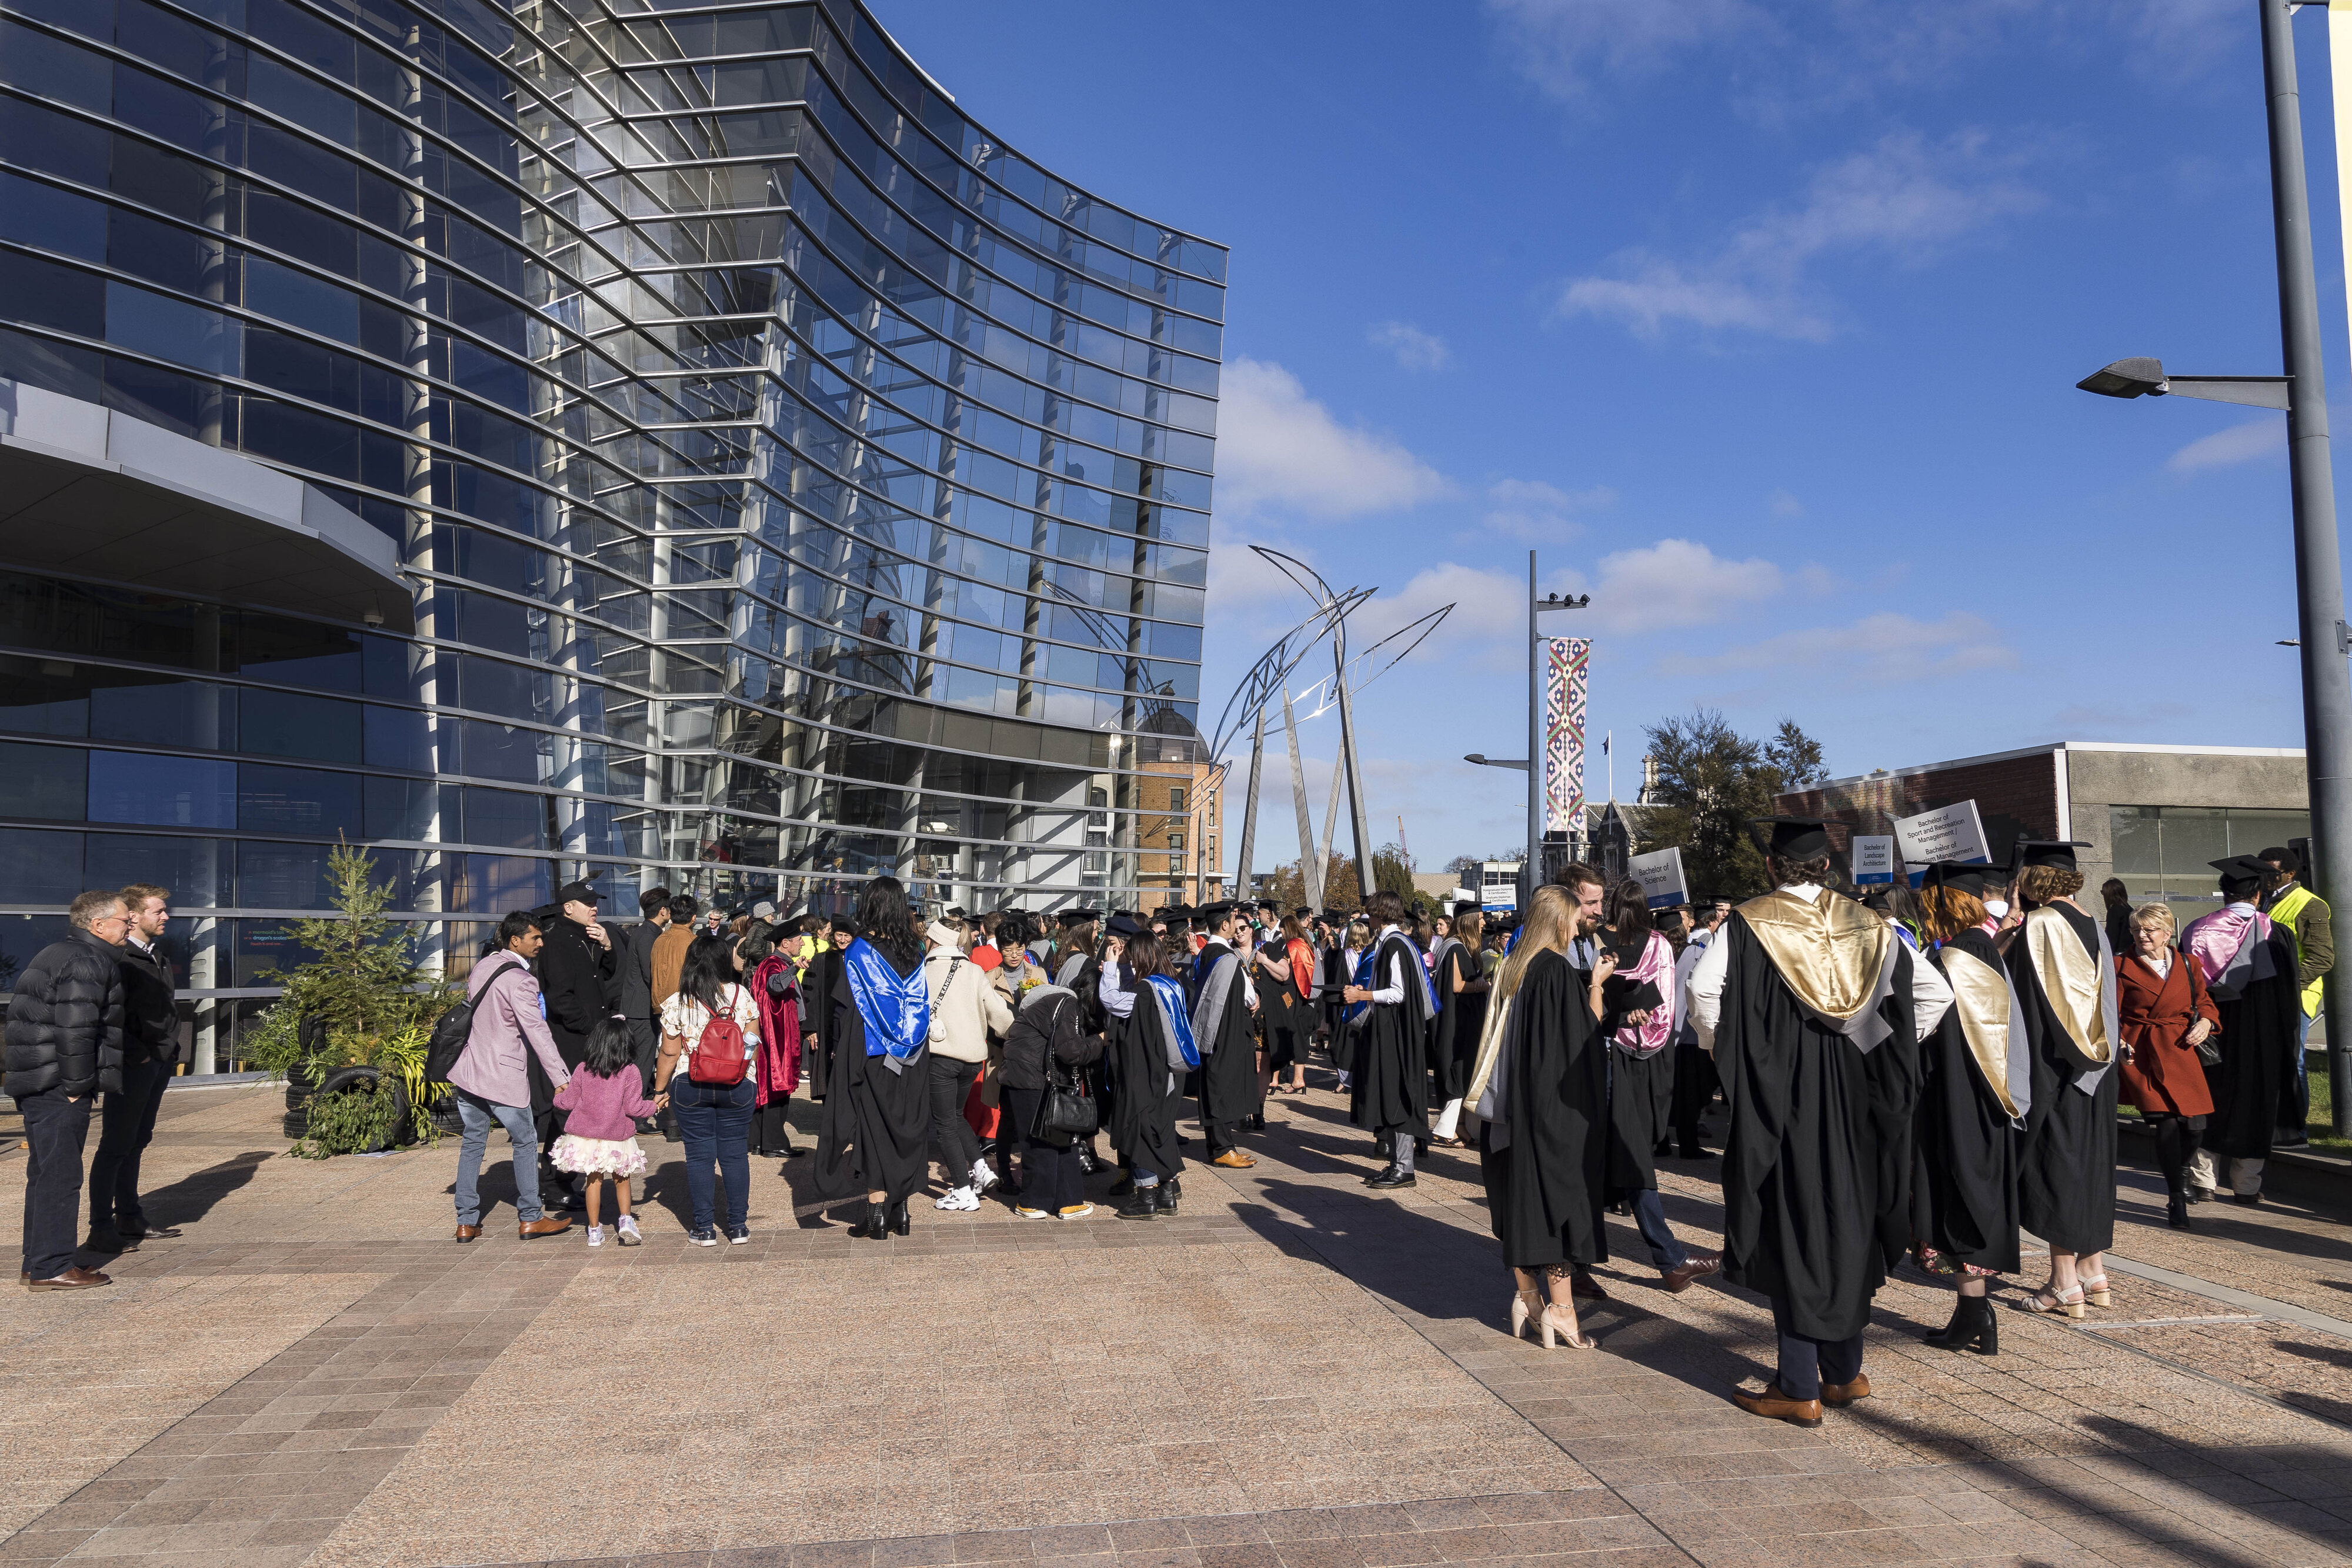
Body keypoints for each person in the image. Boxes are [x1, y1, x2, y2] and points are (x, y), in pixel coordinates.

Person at [1689, 818, 1950, 1427]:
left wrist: (1730, 1056)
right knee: (1850, 1219)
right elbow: (1936, 995)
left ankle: (1798, 1384)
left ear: (1775, 866)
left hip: (1785, 1100)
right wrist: (1885, 1048)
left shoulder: (1750, 922)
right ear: (1827, 869)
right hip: (1862, 1099)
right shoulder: (1874, 925)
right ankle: (1843, 1371)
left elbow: (1704, 994)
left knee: (1794, 1220)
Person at [1464, 885, 1604, 1348]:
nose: (1575, 927)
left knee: (1516, 1202)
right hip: (1545, 1109)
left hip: (1505, 1112)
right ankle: (1562, 1310)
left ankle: (1527, 1298)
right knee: (1552, 1204)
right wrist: (1598, 988)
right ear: (1559, 922)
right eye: (1573, 919)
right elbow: (1578, 1043)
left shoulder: (1510, 967)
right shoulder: (1556, 972)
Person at [1910, 863, 2030, 1356]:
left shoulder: (1954, 961)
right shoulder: (1984, 953)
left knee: (1960, 1202)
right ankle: (1972, 1313)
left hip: (1957, 1103)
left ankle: (1976, 1314)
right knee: (1969, 1200)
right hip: (1987, 1102)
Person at [2004, 841, 2121, 1317]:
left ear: (2030, 879)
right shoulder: (2095, 925)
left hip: (2051, 1070)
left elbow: (2022, 1010)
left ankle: (2062, 1282)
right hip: (2096, 1071)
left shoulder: (2037, 927)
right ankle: (2093, 1271)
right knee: (2088, 1167)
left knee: (2055, 1168)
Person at [6, 889, 129, 1290]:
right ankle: (52, 1267)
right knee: (60, 1176)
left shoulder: (61, 952)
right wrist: (77, 1087)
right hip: (59, 1085)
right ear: (98, 925)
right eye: (124, 920)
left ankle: (38, 1261)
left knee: (45, 1174)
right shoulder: (86, 960)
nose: (130, 926)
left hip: (42, 1082)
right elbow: (76, 1030)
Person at [1596, 879, 1716, 1290]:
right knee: (1631, 1153)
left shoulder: (1595, 941)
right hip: (1636, 1061)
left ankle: (1576, 1267)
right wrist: (1635, 1025)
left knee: (1608, 1155)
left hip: (1598, 1054)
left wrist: (1613, 1017)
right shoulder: (1658, 946)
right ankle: (1669, 1259)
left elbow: (1589, 994)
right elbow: (1664, 1003)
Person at [815, 879, 934, 1239]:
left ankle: (877, 1216)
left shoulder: (859, 952)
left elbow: (849, 1014)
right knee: (905, 1129)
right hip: (914, 1055)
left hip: (872, 1054)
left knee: (873, 1133)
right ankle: (902, 1212)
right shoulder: (916, 950)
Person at [2181, 855, 2302, 1209]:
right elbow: (2287, 993)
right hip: (2262, 1032)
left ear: (2223, 892)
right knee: (2257, 1098)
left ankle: (2203, 1181)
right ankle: (2246, 1185)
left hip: (2212, 1029)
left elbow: (2187, 987)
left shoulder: (2196, 930)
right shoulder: (2274, 933)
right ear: (2258, 894)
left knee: (2210, 1097)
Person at [448, 911, 573, 1243]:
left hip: (470, 1069)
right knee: (526, 1141)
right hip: (503, 1073)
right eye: (535, 937)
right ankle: (531, 1217)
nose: (541, 943)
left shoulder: (484, 966)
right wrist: (561, 1076)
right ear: (516, 940)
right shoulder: (522, 980)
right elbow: (537, 1031)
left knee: (473, 1141)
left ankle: (465, 1221)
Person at [88, 882, 181, 1255]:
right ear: (135, 915)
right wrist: (138, 1054)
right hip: (135, 1064)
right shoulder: (121, 959)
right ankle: (101, 1226)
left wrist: (168, 1051)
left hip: (157, 1061)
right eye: (158, 911)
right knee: (116, 1144)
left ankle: (129, 1215)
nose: (165, 917)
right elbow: (111, 1015)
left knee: (139, 1139)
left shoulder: (155, 954)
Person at [2116, 902, 2220, 1230]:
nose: (2142, 936)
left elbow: (2204, 1003)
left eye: (2149, 930)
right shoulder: (2120, 965)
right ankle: (2176, 1196)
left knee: (2196, 1127)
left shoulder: (2189, 963)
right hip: (2142, 1052)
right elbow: (2110, 1011)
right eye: (2136, 930)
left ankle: (2183, 1169)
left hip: (2180, 1047)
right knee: (2167, 1124)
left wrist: (2206, 1023)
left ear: (2167, 933)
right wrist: (2119, 1042)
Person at [653, 932, 762, 1245]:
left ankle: (703, 1229)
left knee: (699, 1157)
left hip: (691, 1083)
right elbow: (752, 1044)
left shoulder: (677, 1001)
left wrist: (660, 1090)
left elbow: (669, 1052)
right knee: (735, 1155)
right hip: (738, 1084)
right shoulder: (742, 996)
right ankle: (738, 1227)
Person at [1098, 918, 1192, 1218]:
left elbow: (1110, 1000)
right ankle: (1167, 1193)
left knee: (1139, 1129)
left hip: (1144, 1073)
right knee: (1161, 1129)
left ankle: (1145, 1197)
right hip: (1169, 1074)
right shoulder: (1172, 986)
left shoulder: (1144, 994)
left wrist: (1111, 968)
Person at [533, 881, 619, 1201]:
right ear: (569, 907)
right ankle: (555, 1182)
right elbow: (560, 998)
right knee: (567, 1110)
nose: (594, 907)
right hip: (573, 1038)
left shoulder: (589, 935)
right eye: (587, 902)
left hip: (592, 1035)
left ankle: (564, 1177)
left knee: (582, 1109)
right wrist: (590, 1029)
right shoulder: (557, 940)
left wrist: (608, 946)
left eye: (595, 901)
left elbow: (606, 977)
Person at [1346, 890, 1437, 1189]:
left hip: (1396, 1033)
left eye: (1370, 913)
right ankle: (1397, 1164)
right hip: (1396, 1030)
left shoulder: (1395, 945)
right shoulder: (1397, 943)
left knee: (1398, 1094)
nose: (1367, 918)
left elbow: (1398, 992)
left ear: (1380, 914)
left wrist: (1362, 994)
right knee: (1393, 1094)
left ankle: (1404, 1168)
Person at [926, 917, 1014, 1210]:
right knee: (955, 1116)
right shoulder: (975, 970)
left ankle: (963, 1190)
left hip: (941, 1055)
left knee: (944, 1124)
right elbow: (998, 1013)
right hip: (974, 1056)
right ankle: (981, 1167)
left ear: (935, 941)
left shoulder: (925, 971)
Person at [999, 973, 1100, 1219]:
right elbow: (1071, 1051)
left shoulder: (1053, 1003)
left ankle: (1069, 1201)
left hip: (1031, 1077)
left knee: (1062, 1137)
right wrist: (1099, 1041)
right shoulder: (1067, 1003)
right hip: (1031, 1079)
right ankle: (1033, 1202)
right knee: (1041, 1141)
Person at [551, 1017, 658, 1246]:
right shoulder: (630, 1071)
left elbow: (567, 1102)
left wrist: (557, 1097)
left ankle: (594, 1231)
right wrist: (655, 1106)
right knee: (622, 1179)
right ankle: (626, 1222)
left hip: (586, 1137)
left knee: (593, 1180)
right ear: (626, 1043)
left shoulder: (583, 1069)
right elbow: (634, 1108)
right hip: (617, 1135)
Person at [2259, 846, 2333, 1147]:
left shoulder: (2309, 905)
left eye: (2271, 872)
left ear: (2290, 873)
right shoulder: (2264, 899)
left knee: (2294, 1062)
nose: (2265, 877)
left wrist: (2288, 984)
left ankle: (2296, 1131)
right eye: (2261, 870)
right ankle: (2276, 1126)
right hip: (2271, 992)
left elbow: (2322, 958)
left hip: (2295, 996)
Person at [1189, 902, 1262, 1169]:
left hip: (1209, 1030)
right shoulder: (1228, 958)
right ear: (1224, 925)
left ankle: (1219, 1146)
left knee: (1212, 1086)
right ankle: (1223, 1149)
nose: (1235, 924)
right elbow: (1248, 996)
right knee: (1222, 1089)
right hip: (1227, 1031)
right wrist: (1255, 995)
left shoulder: (1204, 953)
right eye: (1233, 920)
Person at [1429, 905, 1489, 1145]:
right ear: (1470, 920)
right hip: (1456, 1022)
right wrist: (1482, 986)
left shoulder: (1462, 946)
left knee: (1465, 1071)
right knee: (1458, 1069)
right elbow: (1455, 985)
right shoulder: (1454, 947)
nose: (1484, 924)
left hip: (1465, 1019)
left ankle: (1459, 1125)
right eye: (1481, 919)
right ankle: (1447, 1127)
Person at [615, 886, 672, 1099]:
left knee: (639, 1060)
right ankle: (637, 1115)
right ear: (663, 911)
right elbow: (652, 973)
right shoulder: (649, 935)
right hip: (641, 1010)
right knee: (642, 1062)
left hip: (639, 1007)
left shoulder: (645, 932)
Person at [2099, 879, 2137, 963]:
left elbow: (2112, 935)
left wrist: (2106, 956)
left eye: (2103, 892)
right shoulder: (2129, 909)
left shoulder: (2115, 911)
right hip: (2130, 952)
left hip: (2118, 953)